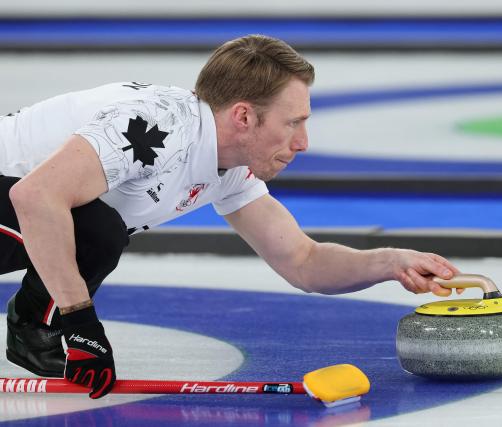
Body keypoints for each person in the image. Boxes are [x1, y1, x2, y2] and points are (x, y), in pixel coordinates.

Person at [0, 34, 461, 399]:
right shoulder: (156, 126)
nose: (303, 143)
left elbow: (302, 261)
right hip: (18, 192)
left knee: (98, 231)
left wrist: (390, 262)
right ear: (244, 116)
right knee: (98, 231)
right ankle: (39, 324)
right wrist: (82, 324)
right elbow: (36, 197)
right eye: (294, 122)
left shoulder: (229, 167)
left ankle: (33, 328)